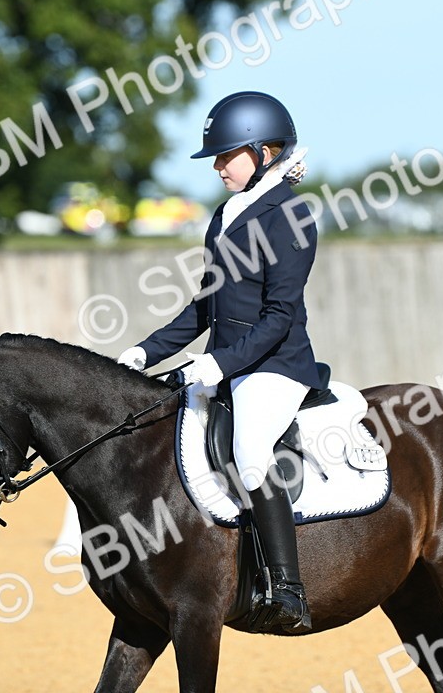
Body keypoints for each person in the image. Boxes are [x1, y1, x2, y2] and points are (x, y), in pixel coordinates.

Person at [118, 90, 318, 634]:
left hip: (277, 366)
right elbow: (207, 306)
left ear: (265, 152)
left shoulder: (291, 217)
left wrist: (216, 366)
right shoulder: (225, 216)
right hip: (229, 362)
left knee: (251, 451)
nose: (218, 166)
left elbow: (279, 317)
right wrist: (146, 350)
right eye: (218, 156)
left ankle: (287, 588)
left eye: (227, 155)